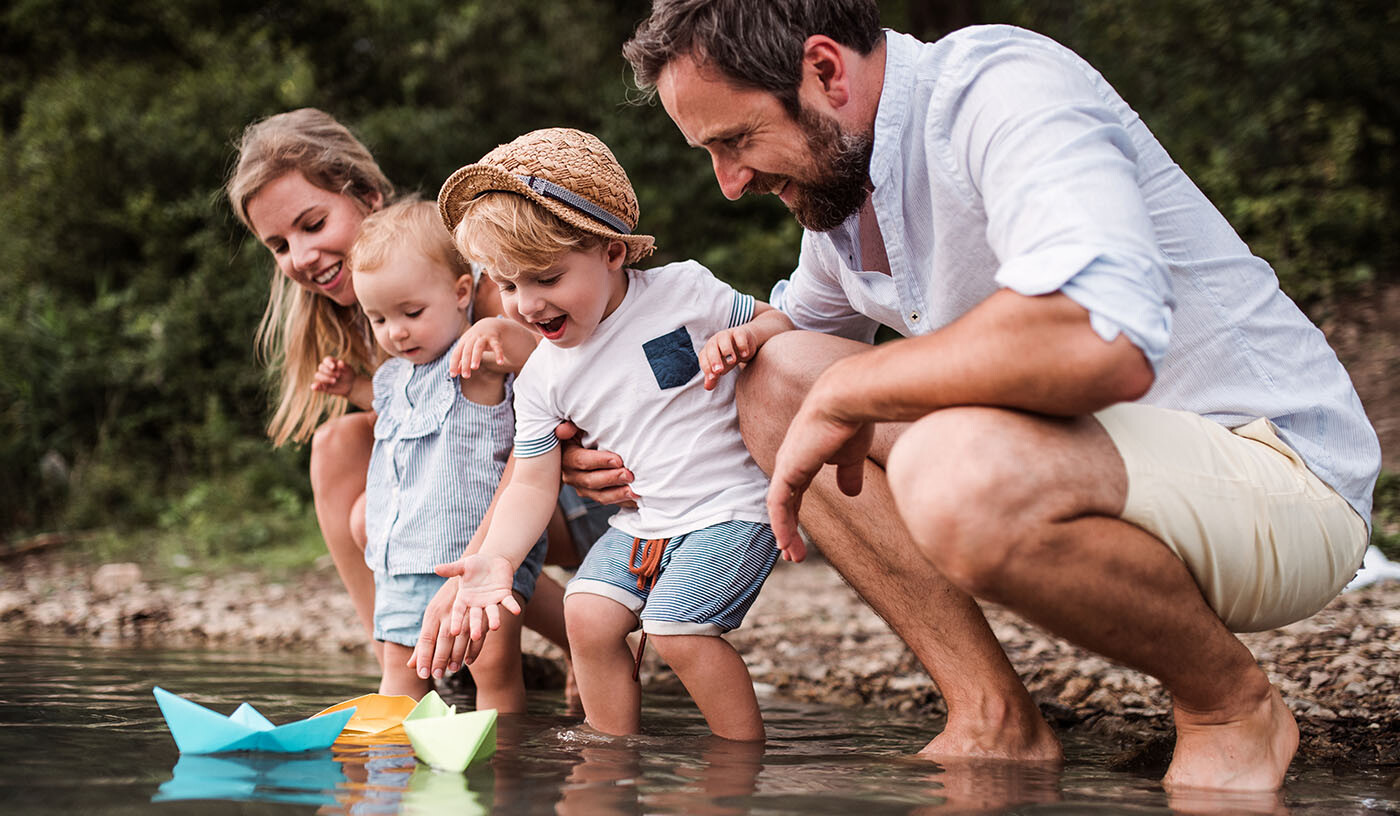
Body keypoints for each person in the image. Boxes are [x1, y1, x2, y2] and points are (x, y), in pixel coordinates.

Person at [601, 0, 1381, 792]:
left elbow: (1097, 335)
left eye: (734, 141)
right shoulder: (841, 204)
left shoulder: (999, 87)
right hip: (1105, 470)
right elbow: (775, 359)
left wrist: (854, 386)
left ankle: (1228, 707)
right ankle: (993, 716)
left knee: (953, 465)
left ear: (825, 71)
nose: (729, 183)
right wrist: (606, 449)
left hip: (1279, 479)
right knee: (774, 381)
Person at [425, 128, 796, 741]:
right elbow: (531, 484)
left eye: (546, 278)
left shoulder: (684, 292)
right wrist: (496, 558)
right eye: (509, 284)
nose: (525, 304)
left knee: (678, 632)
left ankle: (739, 764)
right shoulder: (542, 375)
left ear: (613, 253)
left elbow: (778, 322)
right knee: (586, 614)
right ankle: (610, 757)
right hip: (642, 522)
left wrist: (751, 337)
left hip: (729, 505)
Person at [225, 108, 591, 678]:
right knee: (337, 444)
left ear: (368, 196)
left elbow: (549, 419)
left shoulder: (477, 283)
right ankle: (406, 667)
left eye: (313, 224)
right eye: (278, 244)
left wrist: (480, 559)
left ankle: (563, 643)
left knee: (385, 517)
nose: (299, 257)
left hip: (566, 482)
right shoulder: (368, 314)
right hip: (482, 494)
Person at [304, 197, 546, 704]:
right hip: (401, 558)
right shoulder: (393, 376)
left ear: (462, 293)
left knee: (494, 673)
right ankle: (390, 773)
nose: (396, 331)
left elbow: (545, 367)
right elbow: (395, 411)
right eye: (378, 319)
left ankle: (505, 762)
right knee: (399, 675)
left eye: (411, 313)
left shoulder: (474, 363)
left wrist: (499, 331)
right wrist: (352, 387)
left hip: (471, 558)